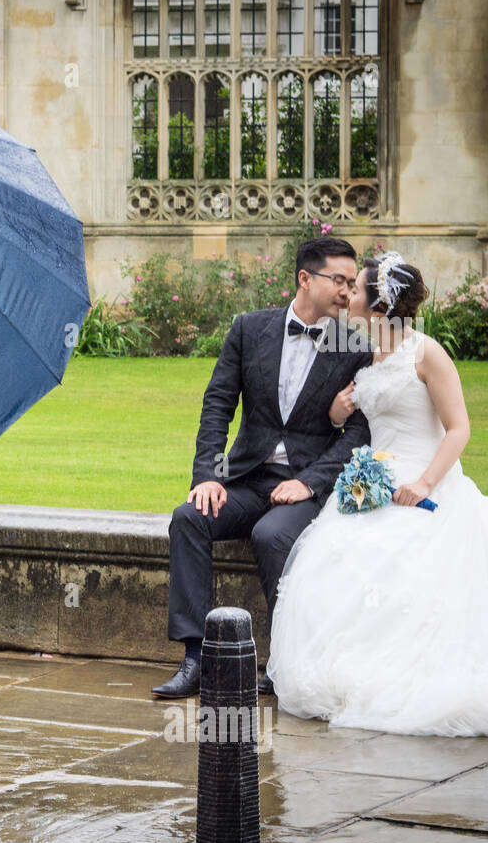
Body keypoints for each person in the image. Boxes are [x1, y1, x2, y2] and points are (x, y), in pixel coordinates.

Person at [267, 252, 488, 735]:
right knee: (334, 556)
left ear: (381, 303)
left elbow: (459, 429)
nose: (349, 295)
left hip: (425, 485)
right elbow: (367, 422)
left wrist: (426, 483)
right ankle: (348, 674)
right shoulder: (368, 353)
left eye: (358, 289)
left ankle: (396, 677)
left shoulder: (425, 352)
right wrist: (335, 414)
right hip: (375, 484)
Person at [153, 237, 372, 699]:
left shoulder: (356, 348)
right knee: (188, 518)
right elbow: (217, 406)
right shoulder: (249, 329)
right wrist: (209, 476)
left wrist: (309, 482)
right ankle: (196, 657)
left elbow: (358, 435)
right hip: (246, 478)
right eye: (339, 280)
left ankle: (283, 660)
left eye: (352, 284)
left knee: (271, 535)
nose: (347, 292)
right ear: (305, 279)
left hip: (305, 485)